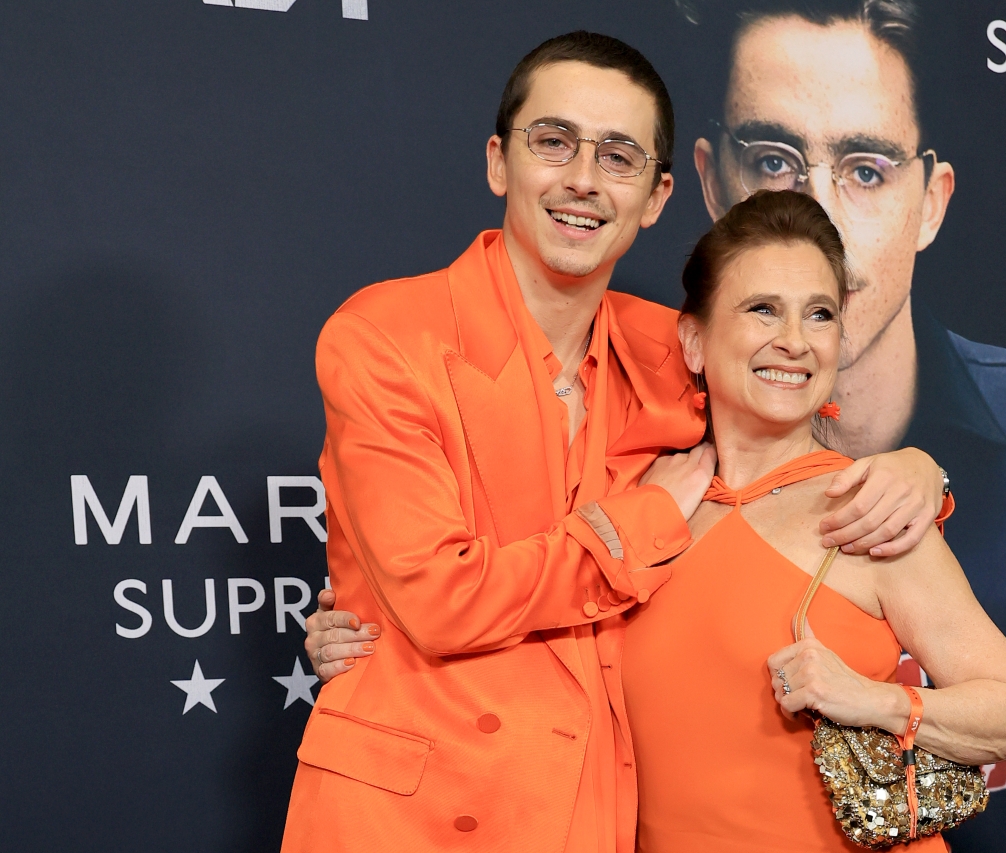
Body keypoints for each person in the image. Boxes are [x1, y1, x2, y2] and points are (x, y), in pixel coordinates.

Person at [281, 31, 949, 853]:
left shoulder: (672, 347)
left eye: (619, 156)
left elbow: (799, 399)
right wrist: (639, 525)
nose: (584, 180)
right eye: (553, 141)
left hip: (584, 812)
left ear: (659, 194)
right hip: (408, 813)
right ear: (499, 162)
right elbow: (437, 599)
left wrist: (916, 468)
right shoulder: (387, 335)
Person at [679, 2, 1006, 852]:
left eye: (866, 168)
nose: (817, 221)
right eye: (775, 161)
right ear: (712, 184)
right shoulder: (643, 442)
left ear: (931, 201)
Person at [623, 189, 1006, 853]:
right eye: (763, 308)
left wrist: (872, 700)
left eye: (819, 314)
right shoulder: (647, 497)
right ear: (695, 339)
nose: (793, 341)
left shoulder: (864, 508)